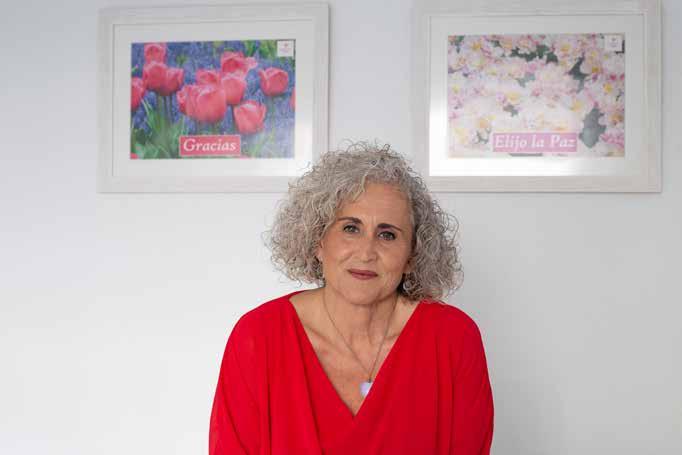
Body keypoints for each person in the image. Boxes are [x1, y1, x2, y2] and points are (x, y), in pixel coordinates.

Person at [209, 142, 494, 454]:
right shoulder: (259, 337)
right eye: (350, 228)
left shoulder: (453, 339)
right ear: (318, 241)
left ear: (412, 255)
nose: (366, 252)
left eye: (387, 234)